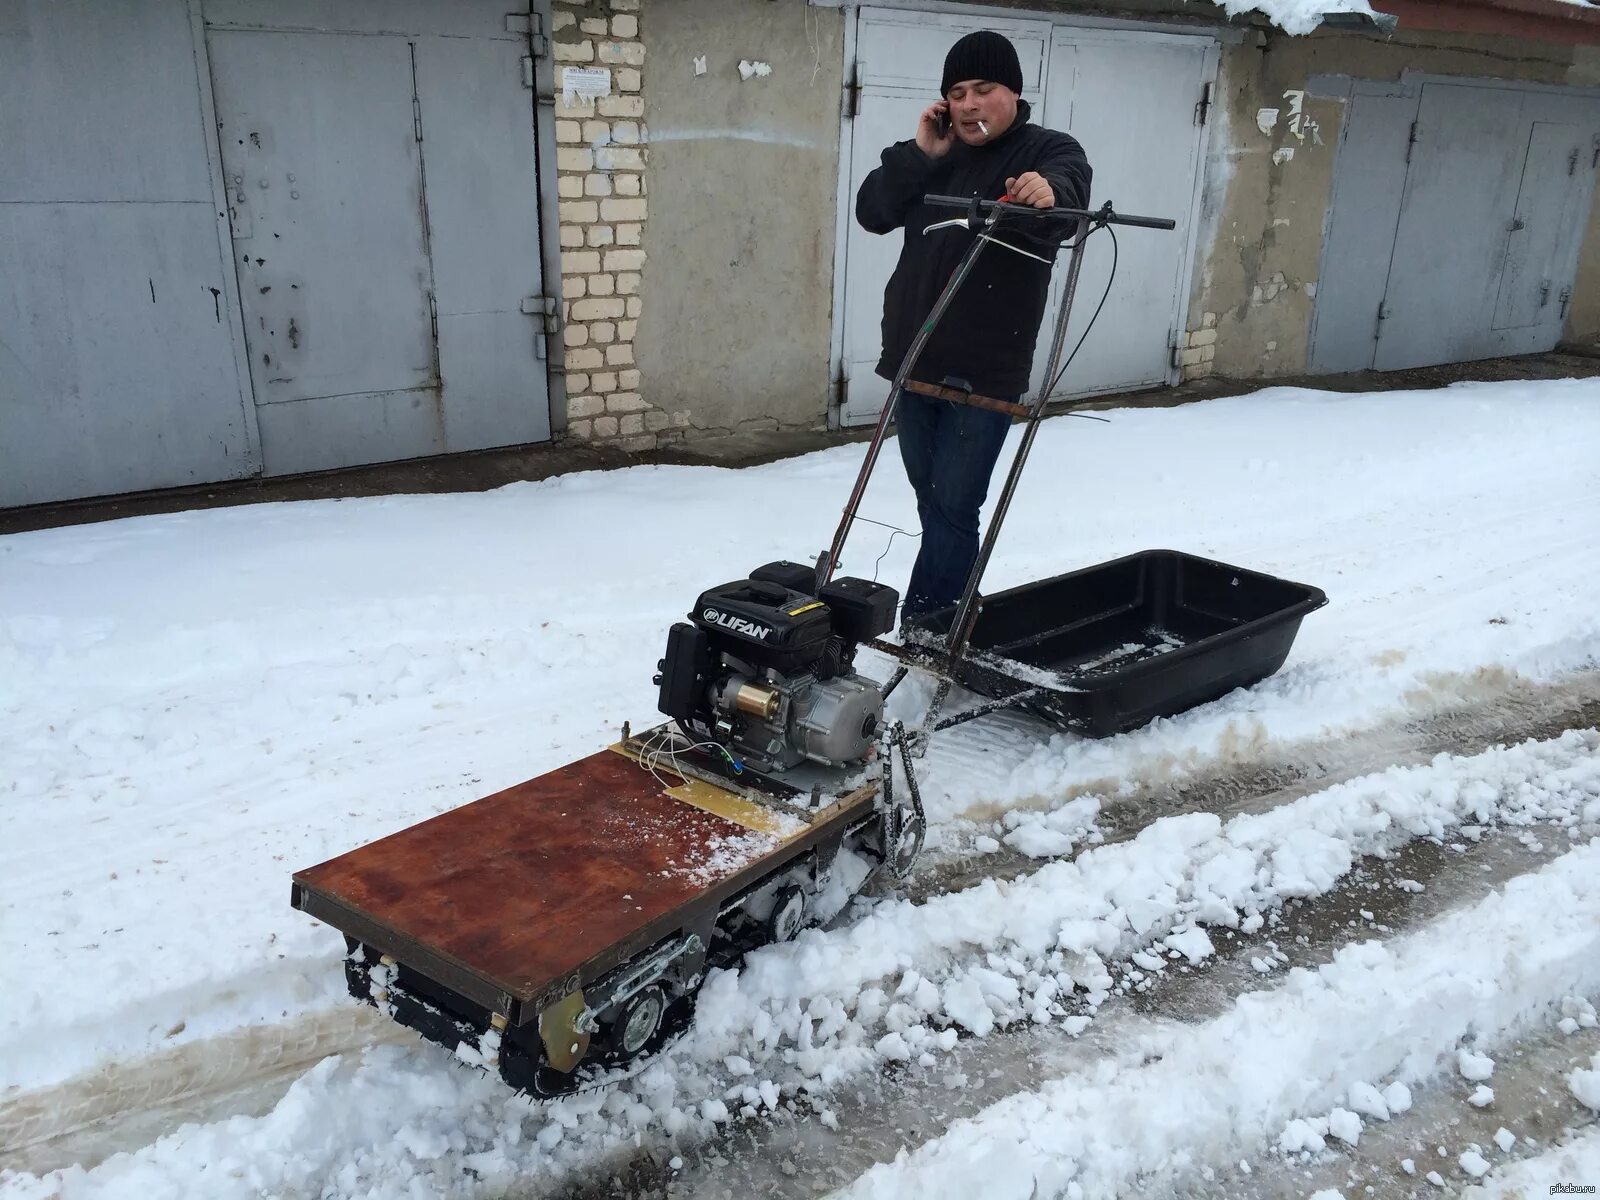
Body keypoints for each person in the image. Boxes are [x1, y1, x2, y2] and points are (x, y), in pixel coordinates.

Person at [855, 30, 1091, 628]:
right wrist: (920, 155)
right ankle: (950, 617)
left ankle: (927, 628)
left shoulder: (1046, 150)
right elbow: (873, 213)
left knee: (955, 507)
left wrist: (1048, 193)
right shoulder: (933, 156)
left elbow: (1067, 194)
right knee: (933, 501)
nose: (968, 105)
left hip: (985, 369)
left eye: (983, 90)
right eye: (957, 93)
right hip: (915, 359)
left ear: (1012, 91)